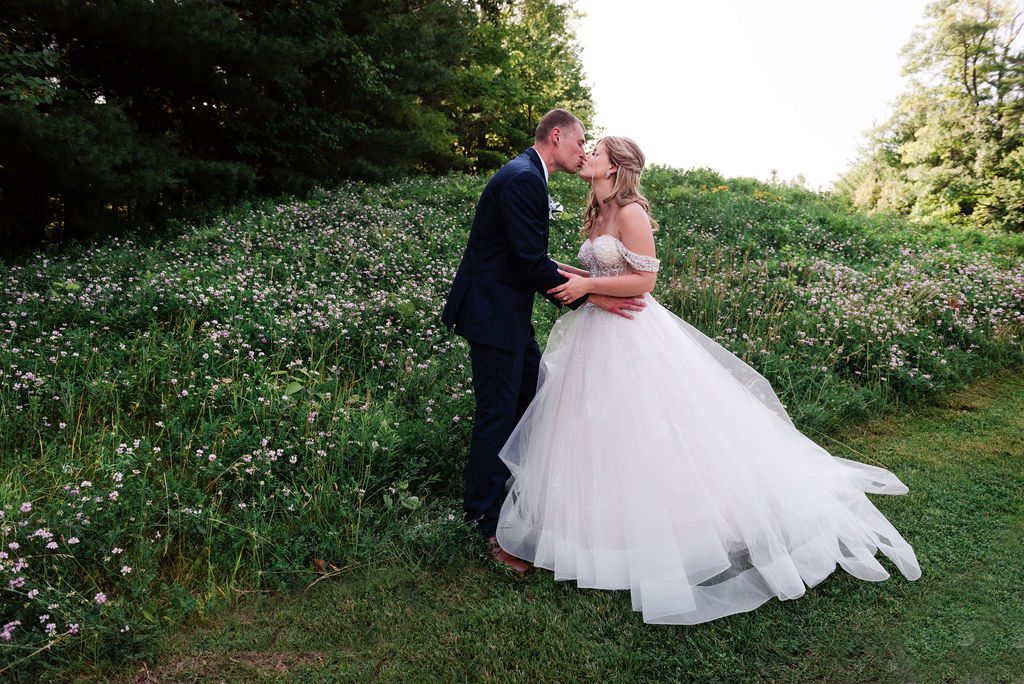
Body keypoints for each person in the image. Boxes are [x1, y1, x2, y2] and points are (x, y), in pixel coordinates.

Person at [494, 136, 921, 623]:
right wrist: (571, 275)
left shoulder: (631, 212)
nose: (587, 155)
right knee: (590, 429)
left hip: (631, 333)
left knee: (647, 429)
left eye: (597, 151)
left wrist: (588, 285)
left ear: (616, 168)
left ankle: (673, 529)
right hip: (594, 332)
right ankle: (585, 532)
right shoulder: (594, 212)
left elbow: (644, 282)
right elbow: (595, 268)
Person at [441, 110, 645, 572]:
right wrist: (591, 298)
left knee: (532, 399)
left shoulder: (529, 175)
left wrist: (589, 287)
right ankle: (483, 521)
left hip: (504, 314)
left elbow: (529, 257)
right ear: (557, 136)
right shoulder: (522, 179)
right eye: (580, 142)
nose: (584, 151)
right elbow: (529, 262)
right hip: (493, 316)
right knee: (499, 412)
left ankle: (520, 499)